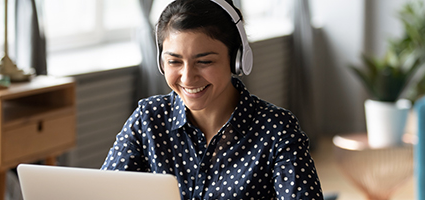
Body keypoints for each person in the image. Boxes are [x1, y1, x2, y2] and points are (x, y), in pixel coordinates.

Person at [101, 0, 323, 199]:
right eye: (174, 62)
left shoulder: (276, 130)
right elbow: (104, 192)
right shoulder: (148, 119)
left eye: (204, 61)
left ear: (236, 59)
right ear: (161, 62)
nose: (188, 77)